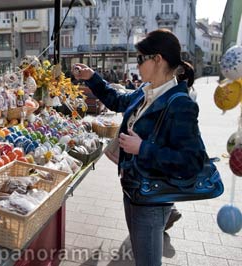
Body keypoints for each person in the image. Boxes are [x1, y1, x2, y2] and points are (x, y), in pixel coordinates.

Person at [73, 29, 206, 266]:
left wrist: (143, 148)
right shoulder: (146, 91)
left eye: (140, 59)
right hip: (132, 190)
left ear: (158, 59)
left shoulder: (180, 103)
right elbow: (116, 100)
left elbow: (191, 161)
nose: (137, 65)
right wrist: (92, 77)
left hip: (152, 200)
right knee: (139, 254)